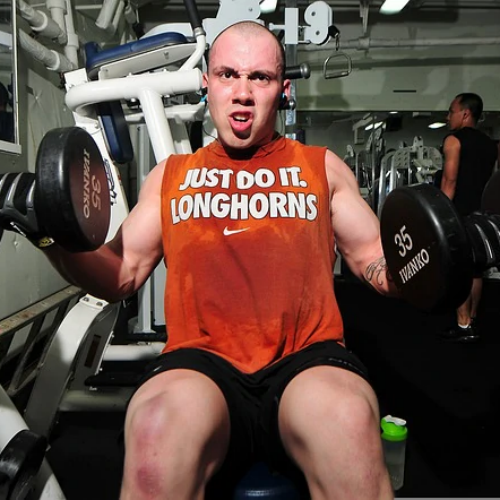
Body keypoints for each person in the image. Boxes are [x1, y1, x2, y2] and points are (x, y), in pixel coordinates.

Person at [7, 22, 398, 499]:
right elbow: (121, 272)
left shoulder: (321, 168)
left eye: (259, 77)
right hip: (202, 363)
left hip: (305, 359)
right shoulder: (171, 176)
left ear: (283, 89)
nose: (242, 92)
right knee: (154, 425)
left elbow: (375, 259)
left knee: (350, 420)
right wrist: (48, 236)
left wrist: (430, 266)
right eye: (229, 74)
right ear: (207, 83)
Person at [439, 93, 498, 343]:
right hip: (483, 214)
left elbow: (449, 180)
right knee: (476, 270)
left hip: (459, 214)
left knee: (460, 270)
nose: (448, 117)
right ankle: (472, 320)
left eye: (451, 111)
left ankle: (463, 325)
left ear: (465, 114)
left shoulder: (453, 140)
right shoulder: (490, 145)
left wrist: (440, 213)